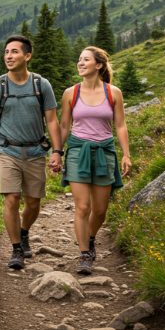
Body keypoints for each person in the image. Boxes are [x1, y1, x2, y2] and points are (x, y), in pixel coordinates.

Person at [0, 35, 62, 270]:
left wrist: (57, 151)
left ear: (27, 56)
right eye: (6, 52)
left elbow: (52, 120)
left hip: (36, 150)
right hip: (8, 150)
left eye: (14, 52)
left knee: (33, 202)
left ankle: (24, 232)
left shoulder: (41, 85)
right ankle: (16, 248)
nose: (9, 56)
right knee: (11, 199)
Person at [58, 46, 131, 275]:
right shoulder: (71, 93)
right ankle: (84, 254)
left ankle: (90, 238)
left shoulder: (113, 93)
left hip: (104, 152)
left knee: (99, 210)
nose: (80, 63)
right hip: (78, 151)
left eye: (85, 60)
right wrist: (57, 152)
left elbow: (120, 125)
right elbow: (64, 125)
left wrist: (126, 154)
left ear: (98, 65)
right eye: (79, 59)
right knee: (82, 206)